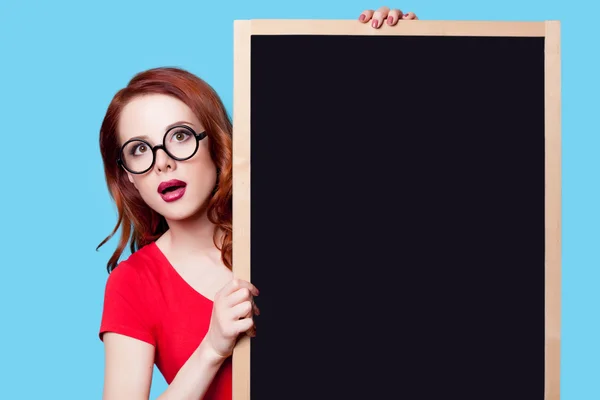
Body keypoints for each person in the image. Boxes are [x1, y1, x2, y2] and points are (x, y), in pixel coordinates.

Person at [97, 6, 418, 400]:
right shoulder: (134, 284)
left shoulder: (288, 221)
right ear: (128, 174)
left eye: (179, 136)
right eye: (140, 149)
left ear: (215, 141)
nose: (162, 161)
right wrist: (212, 349)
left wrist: (402, 48)